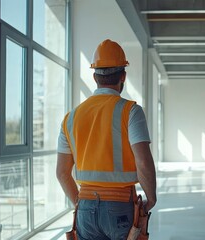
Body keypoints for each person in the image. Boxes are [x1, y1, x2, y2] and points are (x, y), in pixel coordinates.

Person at [56, 39, 157, 240]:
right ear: (123, 76)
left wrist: (82, 202)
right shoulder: (131, 112)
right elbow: (143, 161)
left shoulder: (71, 117)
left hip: (85, 206)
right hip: (120, 207)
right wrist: (151, 197)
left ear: (95, 77)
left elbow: (62, 172)